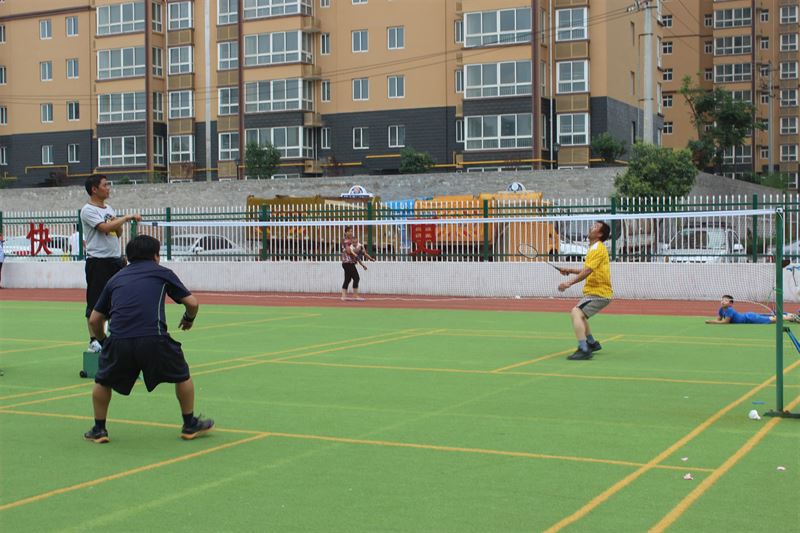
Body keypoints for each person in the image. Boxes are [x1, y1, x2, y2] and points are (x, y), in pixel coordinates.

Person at [83, 234, 214, 443]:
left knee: (102, 381)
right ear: (155, 256)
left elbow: (94, 320)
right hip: (154, 338)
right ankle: (189, 424)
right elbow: (192, 303)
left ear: (128, 257)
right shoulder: (162, 273)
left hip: (119, 340)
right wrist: (189, 319)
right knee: (182, 375)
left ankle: (99, 429)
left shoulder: (115, 278)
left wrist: (105, 343)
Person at [80, 175, 141, 352]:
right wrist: (126, 218)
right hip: (98, 262)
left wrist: (117, 223)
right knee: (95, 301)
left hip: (115, 260)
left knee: (119, 299)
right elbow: (105, 228)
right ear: (94, 189)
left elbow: (117, 232)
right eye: (105, 185)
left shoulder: (108, 208)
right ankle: (94, 340)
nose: (108, 188)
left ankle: (116, 335)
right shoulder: (88, 210)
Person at [557, 221, 613, 360]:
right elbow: (588, 269)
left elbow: (587, 271)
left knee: (575, 312)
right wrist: (570, 270)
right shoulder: (594, 248)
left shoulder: (597, 249)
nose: (591, 227)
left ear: (599, 234)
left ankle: (583, 349)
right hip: (595, 292)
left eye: (595, 227)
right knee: (581, 315)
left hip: (599, 293)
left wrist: (568, 283)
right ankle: (591, 343)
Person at [705, 295, 798, 324]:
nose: (723, 302)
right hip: (748, 316)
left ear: (730, 304)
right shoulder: (721, 309)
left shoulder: (729, 310)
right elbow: (719, 319)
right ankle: (790, 316)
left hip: (749, 318)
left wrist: (711, 322)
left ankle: (792, 317)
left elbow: (725, 322)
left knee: (772, 319)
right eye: (722, 300)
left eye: (726, 300)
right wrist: (714, 321)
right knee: (772, 317)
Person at [340, 226, 363, 301]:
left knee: (347, 279)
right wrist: (358, 250)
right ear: (346, 232)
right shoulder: (346, 241)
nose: (351, 233)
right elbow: (349, 251)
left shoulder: (351, 241)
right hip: (347, 262)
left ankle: (343, 296)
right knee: (356, 277)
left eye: (351, 231)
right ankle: (355, 296)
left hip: (349, 263)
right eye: (349, 231)